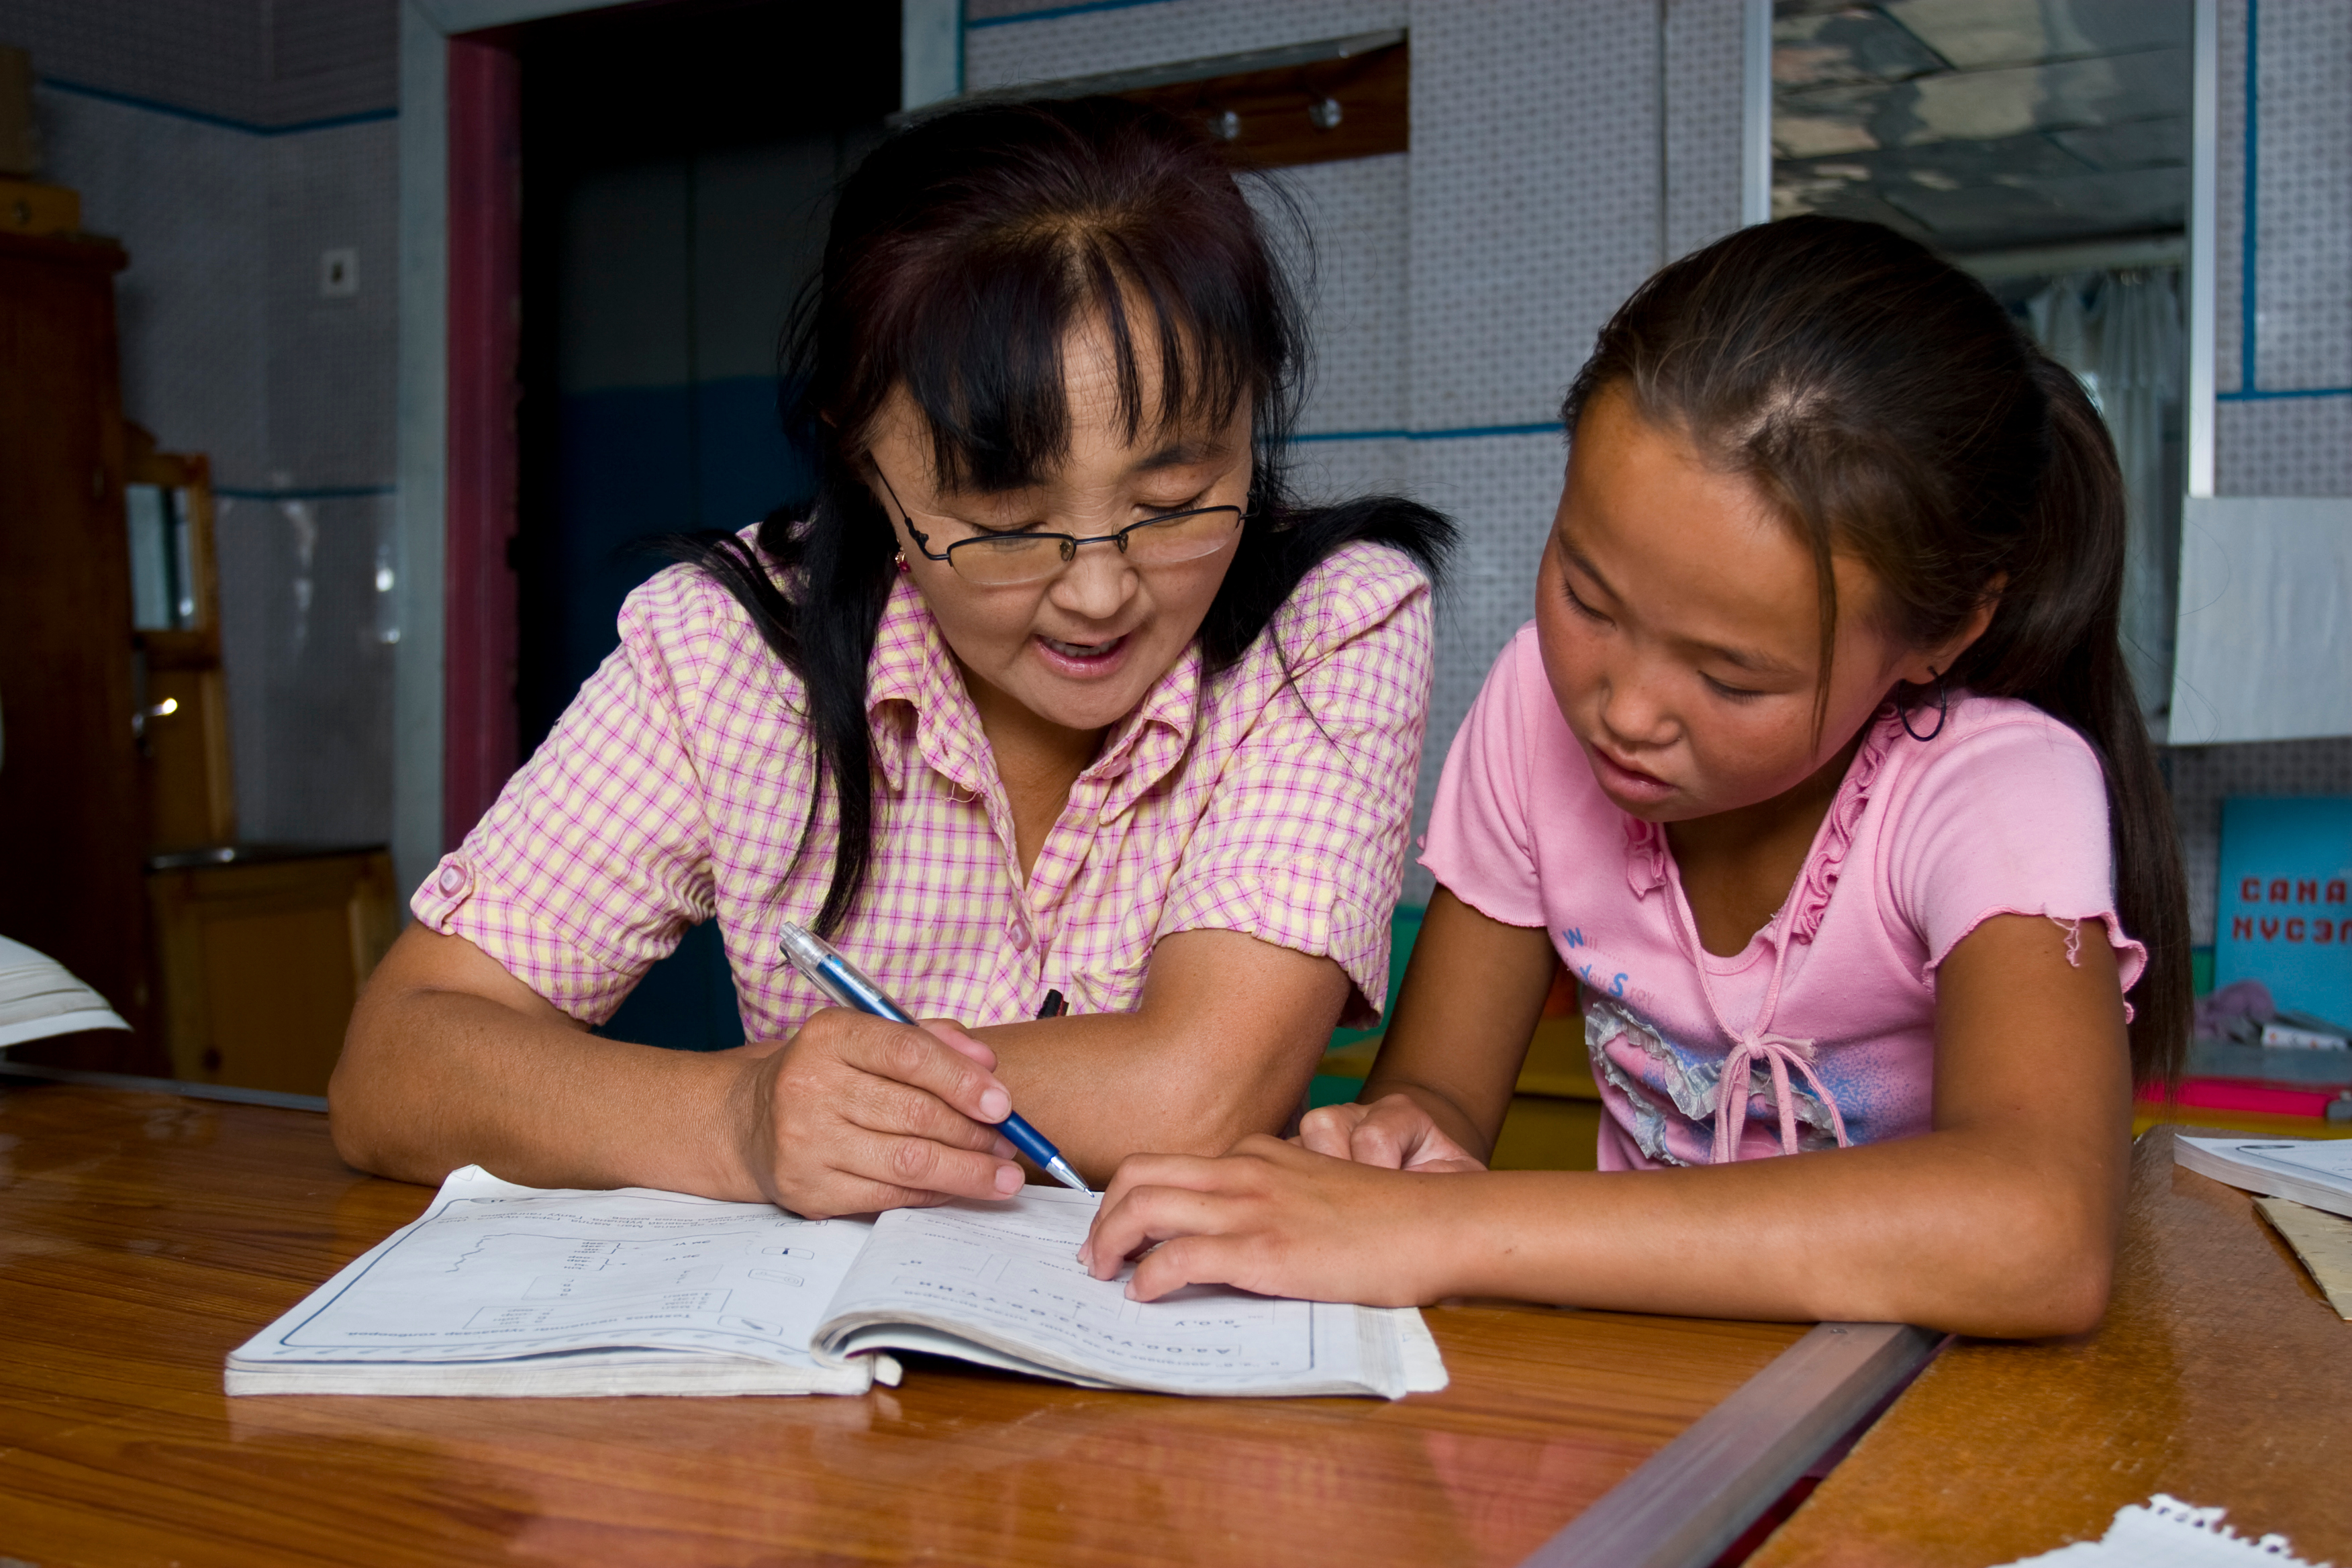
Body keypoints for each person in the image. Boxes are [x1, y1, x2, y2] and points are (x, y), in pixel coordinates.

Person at [330, 98, 1453, 1217]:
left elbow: (1198, 1088)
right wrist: (736, 1119)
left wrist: (852, 1106)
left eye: (1174, 499)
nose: (1102, 592)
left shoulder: (1329, 622)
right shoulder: (728, 649)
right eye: (1007, 522)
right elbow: (395, 1066)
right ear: (862, 456)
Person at [1081, 215, 2190, 1338]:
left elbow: (2043, 1235)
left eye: (1732, 677)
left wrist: (1440, 1230)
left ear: (1944, 632)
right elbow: (1443, 1095)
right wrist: (1394, 1142)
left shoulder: (1998, 789)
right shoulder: (1532, 711)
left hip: (1920, 1427)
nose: (1623, 709)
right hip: (1643, 1393)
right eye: (1587, 599)